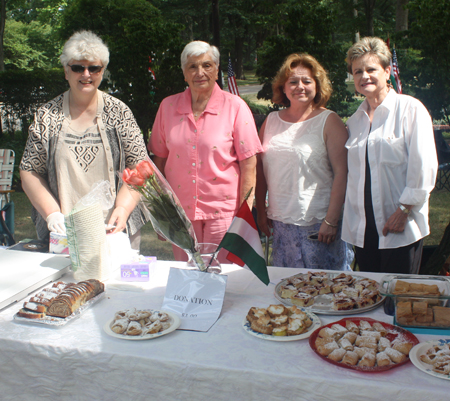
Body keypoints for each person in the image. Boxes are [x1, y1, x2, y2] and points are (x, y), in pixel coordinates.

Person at [20, 30, 149, 250]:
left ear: (102, 71)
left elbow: (139, 167)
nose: (86, 74)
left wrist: (123, 209)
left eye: (94, 68)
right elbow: (29, 170)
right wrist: (52, 214)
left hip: (114, 229)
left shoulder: (119, 112)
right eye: (77, 67)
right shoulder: (47, 115)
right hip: (64, 233)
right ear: (66, 71)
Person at [148, 40, 262, 262]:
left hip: (224, 214)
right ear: (184, 73)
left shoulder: (235, 107)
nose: (200, 72)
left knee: (223, 281)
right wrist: (161, 213)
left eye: (207, 65)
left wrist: (244, 215)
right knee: (187, 280)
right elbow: (158, 162)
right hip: (180, 215)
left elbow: (249, 164)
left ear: (217, 69)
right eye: (192, 66)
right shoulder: (167, 107)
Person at [342, 37, 438, 274]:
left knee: (397, 297)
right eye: (357, 72)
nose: (364, 76)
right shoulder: (355, 121)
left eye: (371, 69)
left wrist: (404, 210)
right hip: (364, 228)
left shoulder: (410, 109)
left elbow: (424, 166)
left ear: (387, 72)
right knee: (369, 295)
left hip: (400, 224)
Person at [255, 53, 353, 270]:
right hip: (281, 224)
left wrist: (331, 220)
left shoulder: (329, 121)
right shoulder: (270, 121)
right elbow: (260, 170)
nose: (300, 86)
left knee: (326, 292)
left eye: (307, 81)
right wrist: (261, 210)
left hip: (318, 226)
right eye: (293, 81)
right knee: (288, 291)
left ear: (317, 86)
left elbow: (342, 173)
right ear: (283, 87)